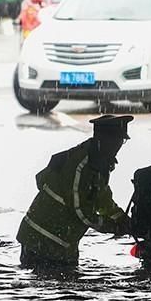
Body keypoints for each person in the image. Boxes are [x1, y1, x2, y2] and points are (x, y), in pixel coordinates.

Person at [16, 114, 133, 271]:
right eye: (117, 140)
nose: (119, 146)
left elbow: (102, 198)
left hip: (62, 245)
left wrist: (122, 219)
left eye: (122, 141)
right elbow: (80, 211)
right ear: (101, 138)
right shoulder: (80, 165)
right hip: (40, 241)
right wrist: (110, 226)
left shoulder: (100, 163)